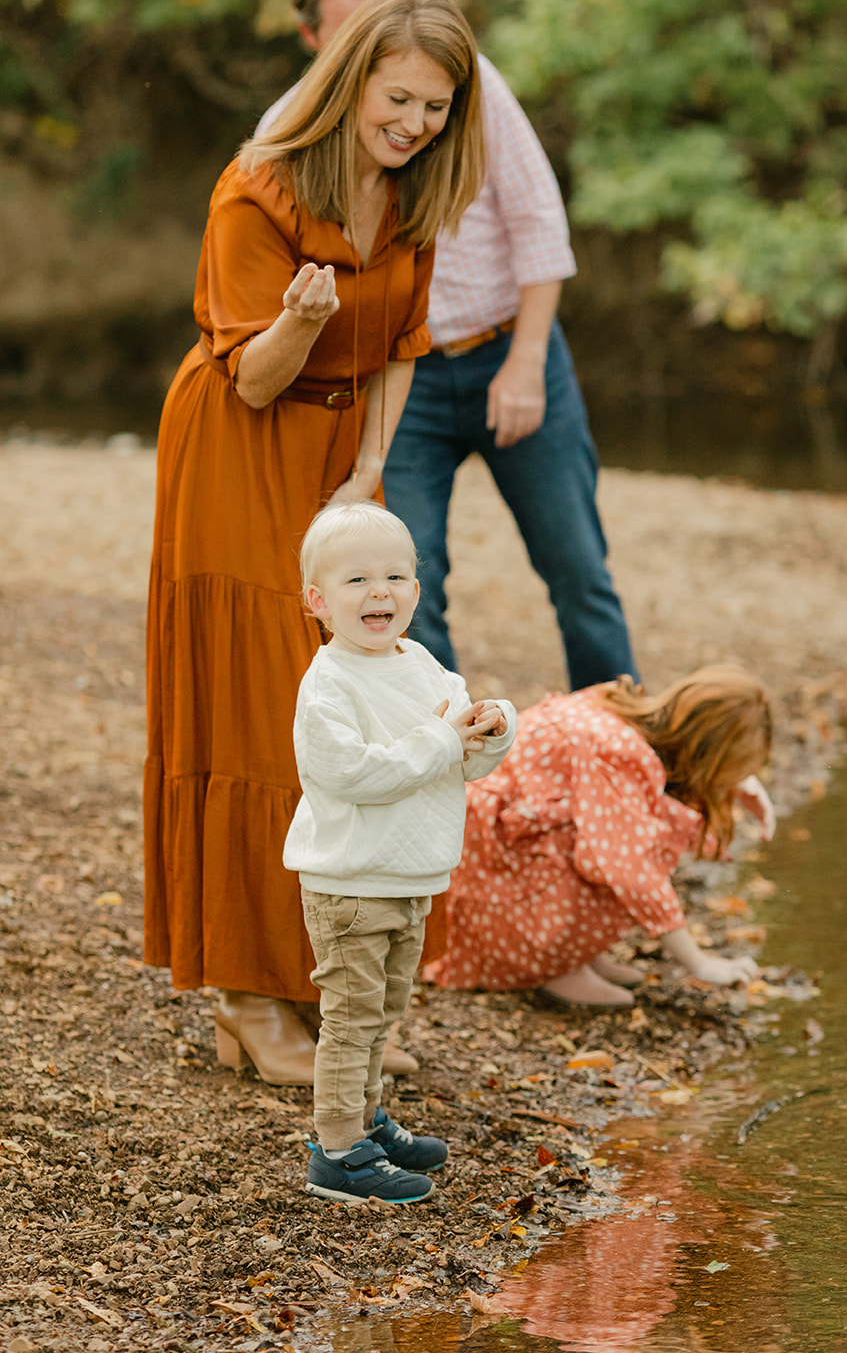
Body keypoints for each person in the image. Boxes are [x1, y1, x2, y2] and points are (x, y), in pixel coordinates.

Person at [143, 0, 485, 1089]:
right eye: (399, 99)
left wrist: (370, 476)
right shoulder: (258, 188)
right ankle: (246, 996)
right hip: (241, 453)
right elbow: (249, 378)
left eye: (435, 106)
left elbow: (399, 350)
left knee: (354, 689)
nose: (415, 123)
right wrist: (297, 318)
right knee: (259, 712)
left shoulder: (421, 191)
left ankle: (309, 978)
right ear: (349, 84)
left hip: (341, 461)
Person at [258, 0, 636, 693]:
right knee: (404, 580)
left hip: (509, 349)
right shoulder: (291, 128)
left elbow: (537, 222)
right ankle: (450, 758)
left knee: (578, 571)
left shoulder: (465, 86)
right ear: (314, 40)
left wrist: (527, 363)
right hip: (404, 380)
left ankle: (625, 749)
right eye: (349, 33)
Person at [283, 501, 516, 1204]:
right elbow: (355, 774)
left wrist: (489, 730)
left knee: (383, 1012)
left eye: (394, 576)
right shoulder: (328, 685)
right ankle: (338, 1152)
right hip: (350, 882)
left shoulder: (422, 666)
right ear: (318, 602)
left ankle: (365, 1118)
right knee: (351, 1016)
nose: (378, 591)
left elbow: (459, 761)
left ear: (417, 589)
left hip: (409, 874)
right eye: (356, 580)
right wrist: (445, 739)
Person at [424, 667, 776, 1006]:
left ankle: (578, 953)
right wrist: (698, 962)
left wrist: (740, 782)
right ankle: (551, 963)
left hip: (486, 830)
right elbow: (628, 866)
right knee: (617, 848)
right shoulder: (620, 750)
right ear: (710, 755)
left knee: (617, 832)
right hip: (485, 857)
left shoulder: (617, 701)